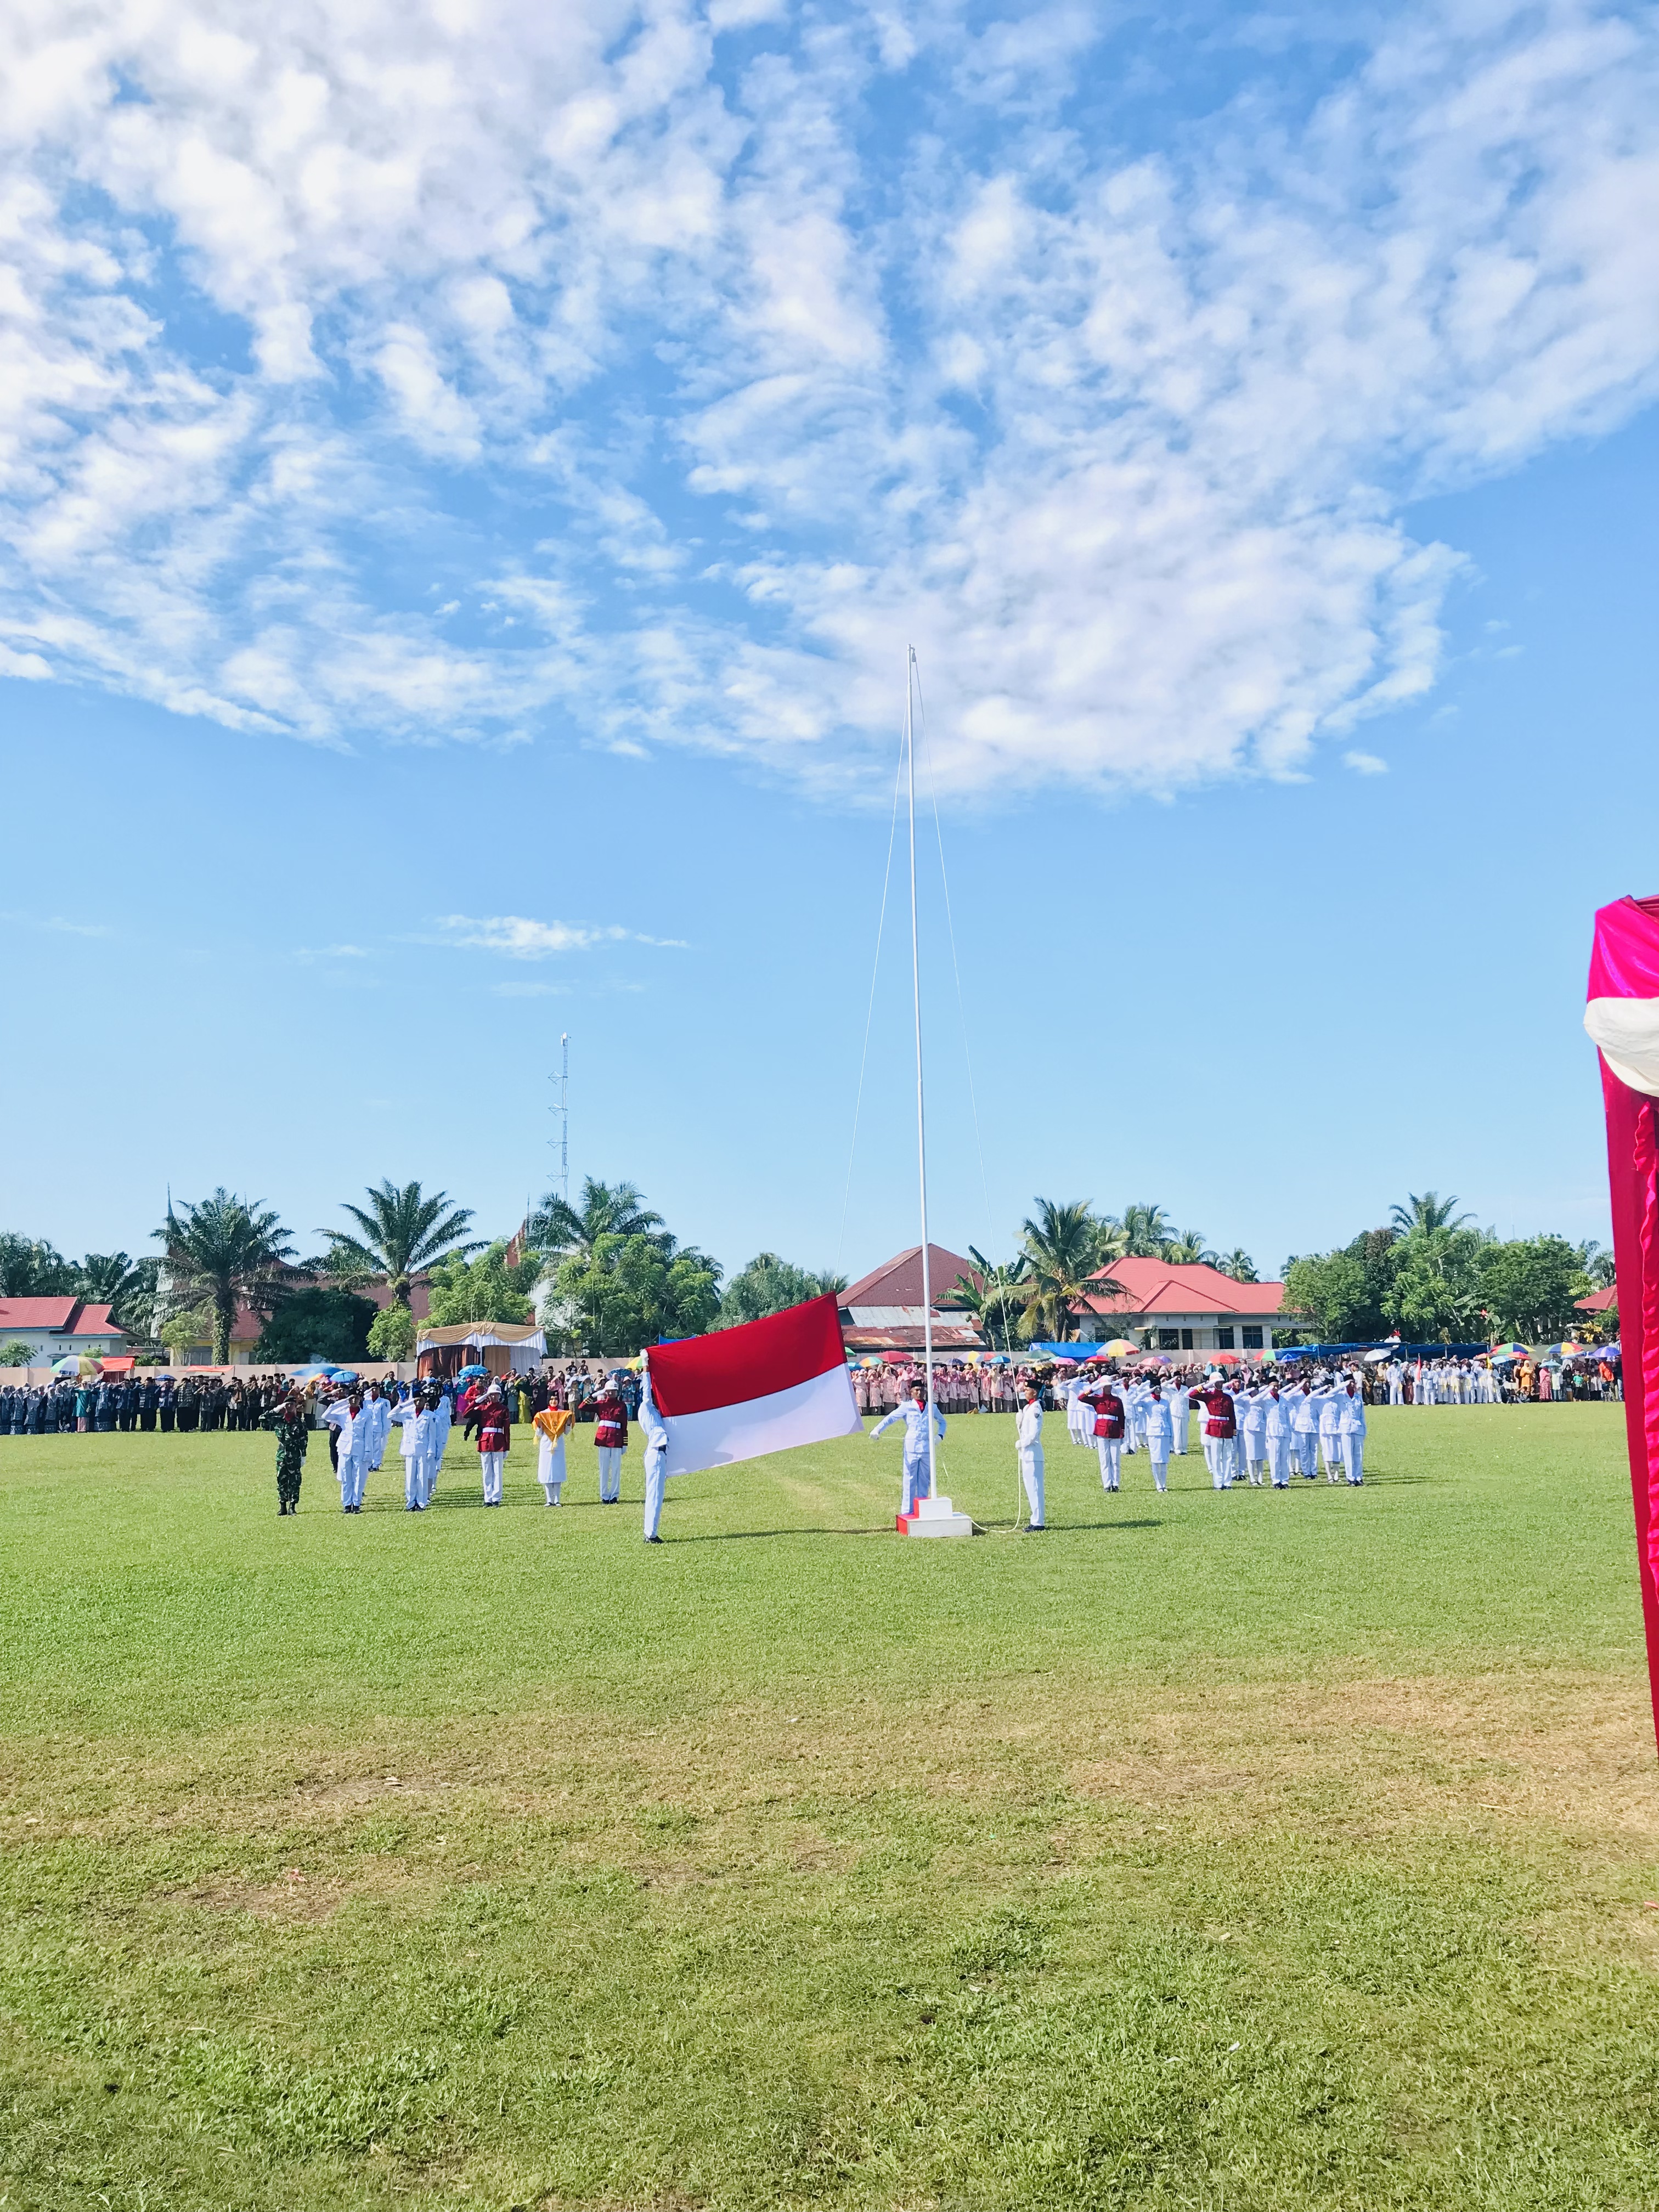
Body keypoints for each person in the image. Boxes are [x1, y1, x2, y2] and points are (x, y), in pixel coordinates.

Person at [870, 1378, 946, 1516]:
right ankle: (907, 1511)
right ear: (911, 1392)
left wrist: (940, 1436)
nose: (919, 1393)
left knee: (924, 1480)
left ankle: (922, 1509)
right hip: (911, 1447)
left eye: (922, 1390)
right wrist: (877, 1430)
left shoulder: (932, 1407)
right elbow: (891, 1418)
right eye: (916, 1390)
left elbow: (942, 1422)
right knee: (909, 1479)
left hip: (927, 1448)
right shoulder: (907, 1406)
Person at [323, 1390, 371, 1513]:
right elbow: (326, 1416)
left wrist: (368, 1452)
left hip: (359, 1447)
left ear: (360, 1399)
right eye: (351, 1398)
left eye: (356, 1398)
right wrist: (342, 1402)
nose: (354, 1401)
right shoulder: (342, 1413)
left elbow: (369, 1435)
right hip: (344, 1447)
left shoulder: (366, 1414)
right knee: (346, 1477)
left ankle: (356, 1504)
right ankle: (346, 1504)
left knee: (358, 1476)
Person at [264, 1386, 311, 1515]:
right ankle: (282, 1506)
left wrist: (303, 1456)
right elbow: (262, 1418)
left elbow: (304, 1440)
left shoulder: (300, 1423)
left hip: (295, 1456)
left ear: (296, 1407)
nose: (290, 1407)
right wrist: (276, 1409)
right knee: (281, 1480)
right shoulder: (279, 1420)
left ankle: (293, 1506)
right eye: (288, 1405)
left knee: (295, 1481)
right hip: (282, 1456)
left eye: (292, 1405)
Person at [465, 1380, 511, 1504]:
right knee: (487, 1471)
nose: (494, 1396)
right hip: (485, 1441)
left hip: (498, 1441)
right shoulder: (482, 1408)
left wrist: (507, 1447)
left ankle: (496, 1498)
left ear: (500, 1396)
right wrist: (479, 1399)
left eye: (496, 1394)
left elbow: (506, 1429)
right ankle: (488, 1498)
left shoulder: (503, 1409)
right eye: (491, 1394)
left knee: (498, 1471)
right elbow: (466, 1413)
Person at [640, 1368, 670, 1542]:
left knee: (656, 1494)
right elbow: (647, 1391)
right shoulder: (646, 1407)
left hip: (659, 1454)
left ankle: (650, 1532)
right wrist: (646, 1368)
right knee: (655, 1495)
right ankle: (651, 1534)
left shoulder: (656, 1413)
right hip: (656, 1453)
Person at [589, 1375, 629, 1504]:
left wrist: (625, 1443)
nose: (612, 1393)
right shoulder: (600, 1404)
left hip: (617, 1438)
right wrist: (596, 1394)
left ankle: (614, 1495)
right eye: (609, 1391)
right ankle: (604, 1495)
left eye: (614, 1391)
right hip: (603, 1438)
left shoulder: (621, 1406)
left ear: (617, 1392)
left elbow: (624, 1425)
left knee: (616, 1468)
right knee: (604, 1468)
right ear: (605, 1392)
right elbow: (582, 1407)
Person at [1193, 1379, 1239, 1489]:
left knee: (1228, 1456)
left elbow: (1232, 1416)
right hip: (1214, 1427)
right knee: (1216, 1457)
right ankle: (1218, 1483)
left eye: (1221, 1383)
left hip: (1227, 1427)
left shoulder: (1228, 1398)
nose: (1220, 1385)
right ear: (1213, 1384)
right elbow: (1193, 1394)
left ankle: (1227, 1483)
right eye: (1217, 1383)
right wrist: (1206, 1386)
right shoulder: (1209, 1396)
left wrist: (1234, 1431)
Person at [1082, 1378, 1125, 1491]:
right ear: (1102, 1388)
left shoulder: (1117, 1400)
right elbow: (1081, 1398)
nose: (1109, 1388)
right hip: (1101, 1430)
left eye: (1110, 1386)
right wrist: (1092, 1389)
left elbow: (1122, 1417)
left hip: (1115, 1430)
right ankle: (1107, 1484)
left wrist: (1123, 1431)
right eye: (1106, 1386)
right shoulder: (1097, 1399)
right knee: (1105, 1459)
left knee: (1115, 1460)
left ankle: (1116, 1484)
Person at [532, 1398, 575, 1505]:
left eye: (556, 1399)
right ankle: (549, 1500)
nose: (554, 1401)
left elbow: (566, 1432)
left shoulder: (563, 1414)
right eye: (551, 1399)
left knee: (557, 1472)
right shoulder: (543, 1414)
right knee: (546, 1472)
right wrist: (539, 1425)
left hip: (558, 1444)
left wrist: (569, 1422)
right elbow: (539, 1433)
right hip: (546, 1444)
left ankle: (557, 1499)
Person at [1014, 1381, 1045, 1530]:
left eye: (1027, 1390)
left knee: (1036, 1489)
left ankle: (1039, 1522)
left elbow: (1034, 1434)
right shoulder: (1027, 1408)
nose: (1024, 1392)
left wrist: (1022, 1443)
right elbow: (1025, 1430)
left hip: (1034, 1454)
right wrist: (1019, 1423)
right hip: (1026, 1455)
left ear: (1034, 1392)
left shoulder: (1036, 1409)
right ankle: (1035, 1519)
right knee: (1030, 1489)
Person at [1262, 1379, 1295, 1488]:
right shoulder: (1266, 1399)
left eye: (1277, 1386)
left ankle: (1285, 1481)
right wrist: (1267, 1390)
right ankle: (1276, 1481)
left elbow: (1287, 1416)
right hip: (1273, 1431)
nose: (1276, 1388)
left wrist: (1290, 1431)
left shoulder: (1283, 1399)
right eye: (1273, 1386)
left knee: (1285, 1457)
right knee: (1275, 1457)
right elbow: (1254, 1401)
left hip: (1285, 1430)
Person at [1337, 1373, 1367, 1484]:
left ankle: (1359, 1477)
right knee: (1348, 1454)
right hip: (1345, 1428)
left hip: (1357, 1427)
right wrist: (1342, 1385)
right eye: (1350, 1382)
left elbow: (1362, 1415)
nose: (1352, 1384)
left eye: (1353, 1382)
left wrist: (1364, 1430)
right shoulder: (1341, 1396)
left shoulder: (1358, 1397)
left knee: (1358, 1454)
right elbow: (1329, 1396)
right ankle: (1350, 1478)